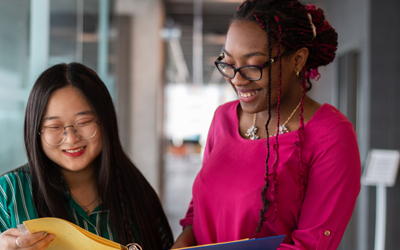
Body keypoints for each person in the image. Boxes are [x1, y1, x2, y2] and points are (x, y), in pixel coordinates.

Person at [172, 0, 361, 249]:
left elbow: (311, 244)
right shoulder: (223, 117)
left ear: (298, 60)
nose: (237, 79)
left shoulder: (331, 135)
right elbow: (199, 210)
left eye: (253, 65)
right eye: (228, 63)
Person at [0, 63, 174, 250]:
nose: (72, 138)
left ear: (105, 121)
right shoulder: (9, 192)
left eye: (84, 122)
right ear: (36, 132)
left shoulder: (138, 192)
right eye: (54, 127)